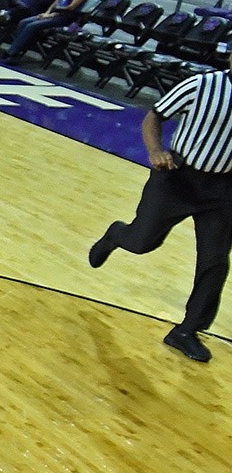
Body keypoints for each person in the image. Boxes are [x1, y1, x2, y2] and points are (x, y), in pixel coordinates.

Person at [90, 50, 232, 363]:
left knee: (215, 260)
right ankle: (116, 235)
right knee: (143, 242)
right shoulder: (202, 84)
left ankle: (187, 331)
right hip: (178, 177)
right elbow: (154, 116)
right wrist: (155, 150)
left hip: (223, 189)